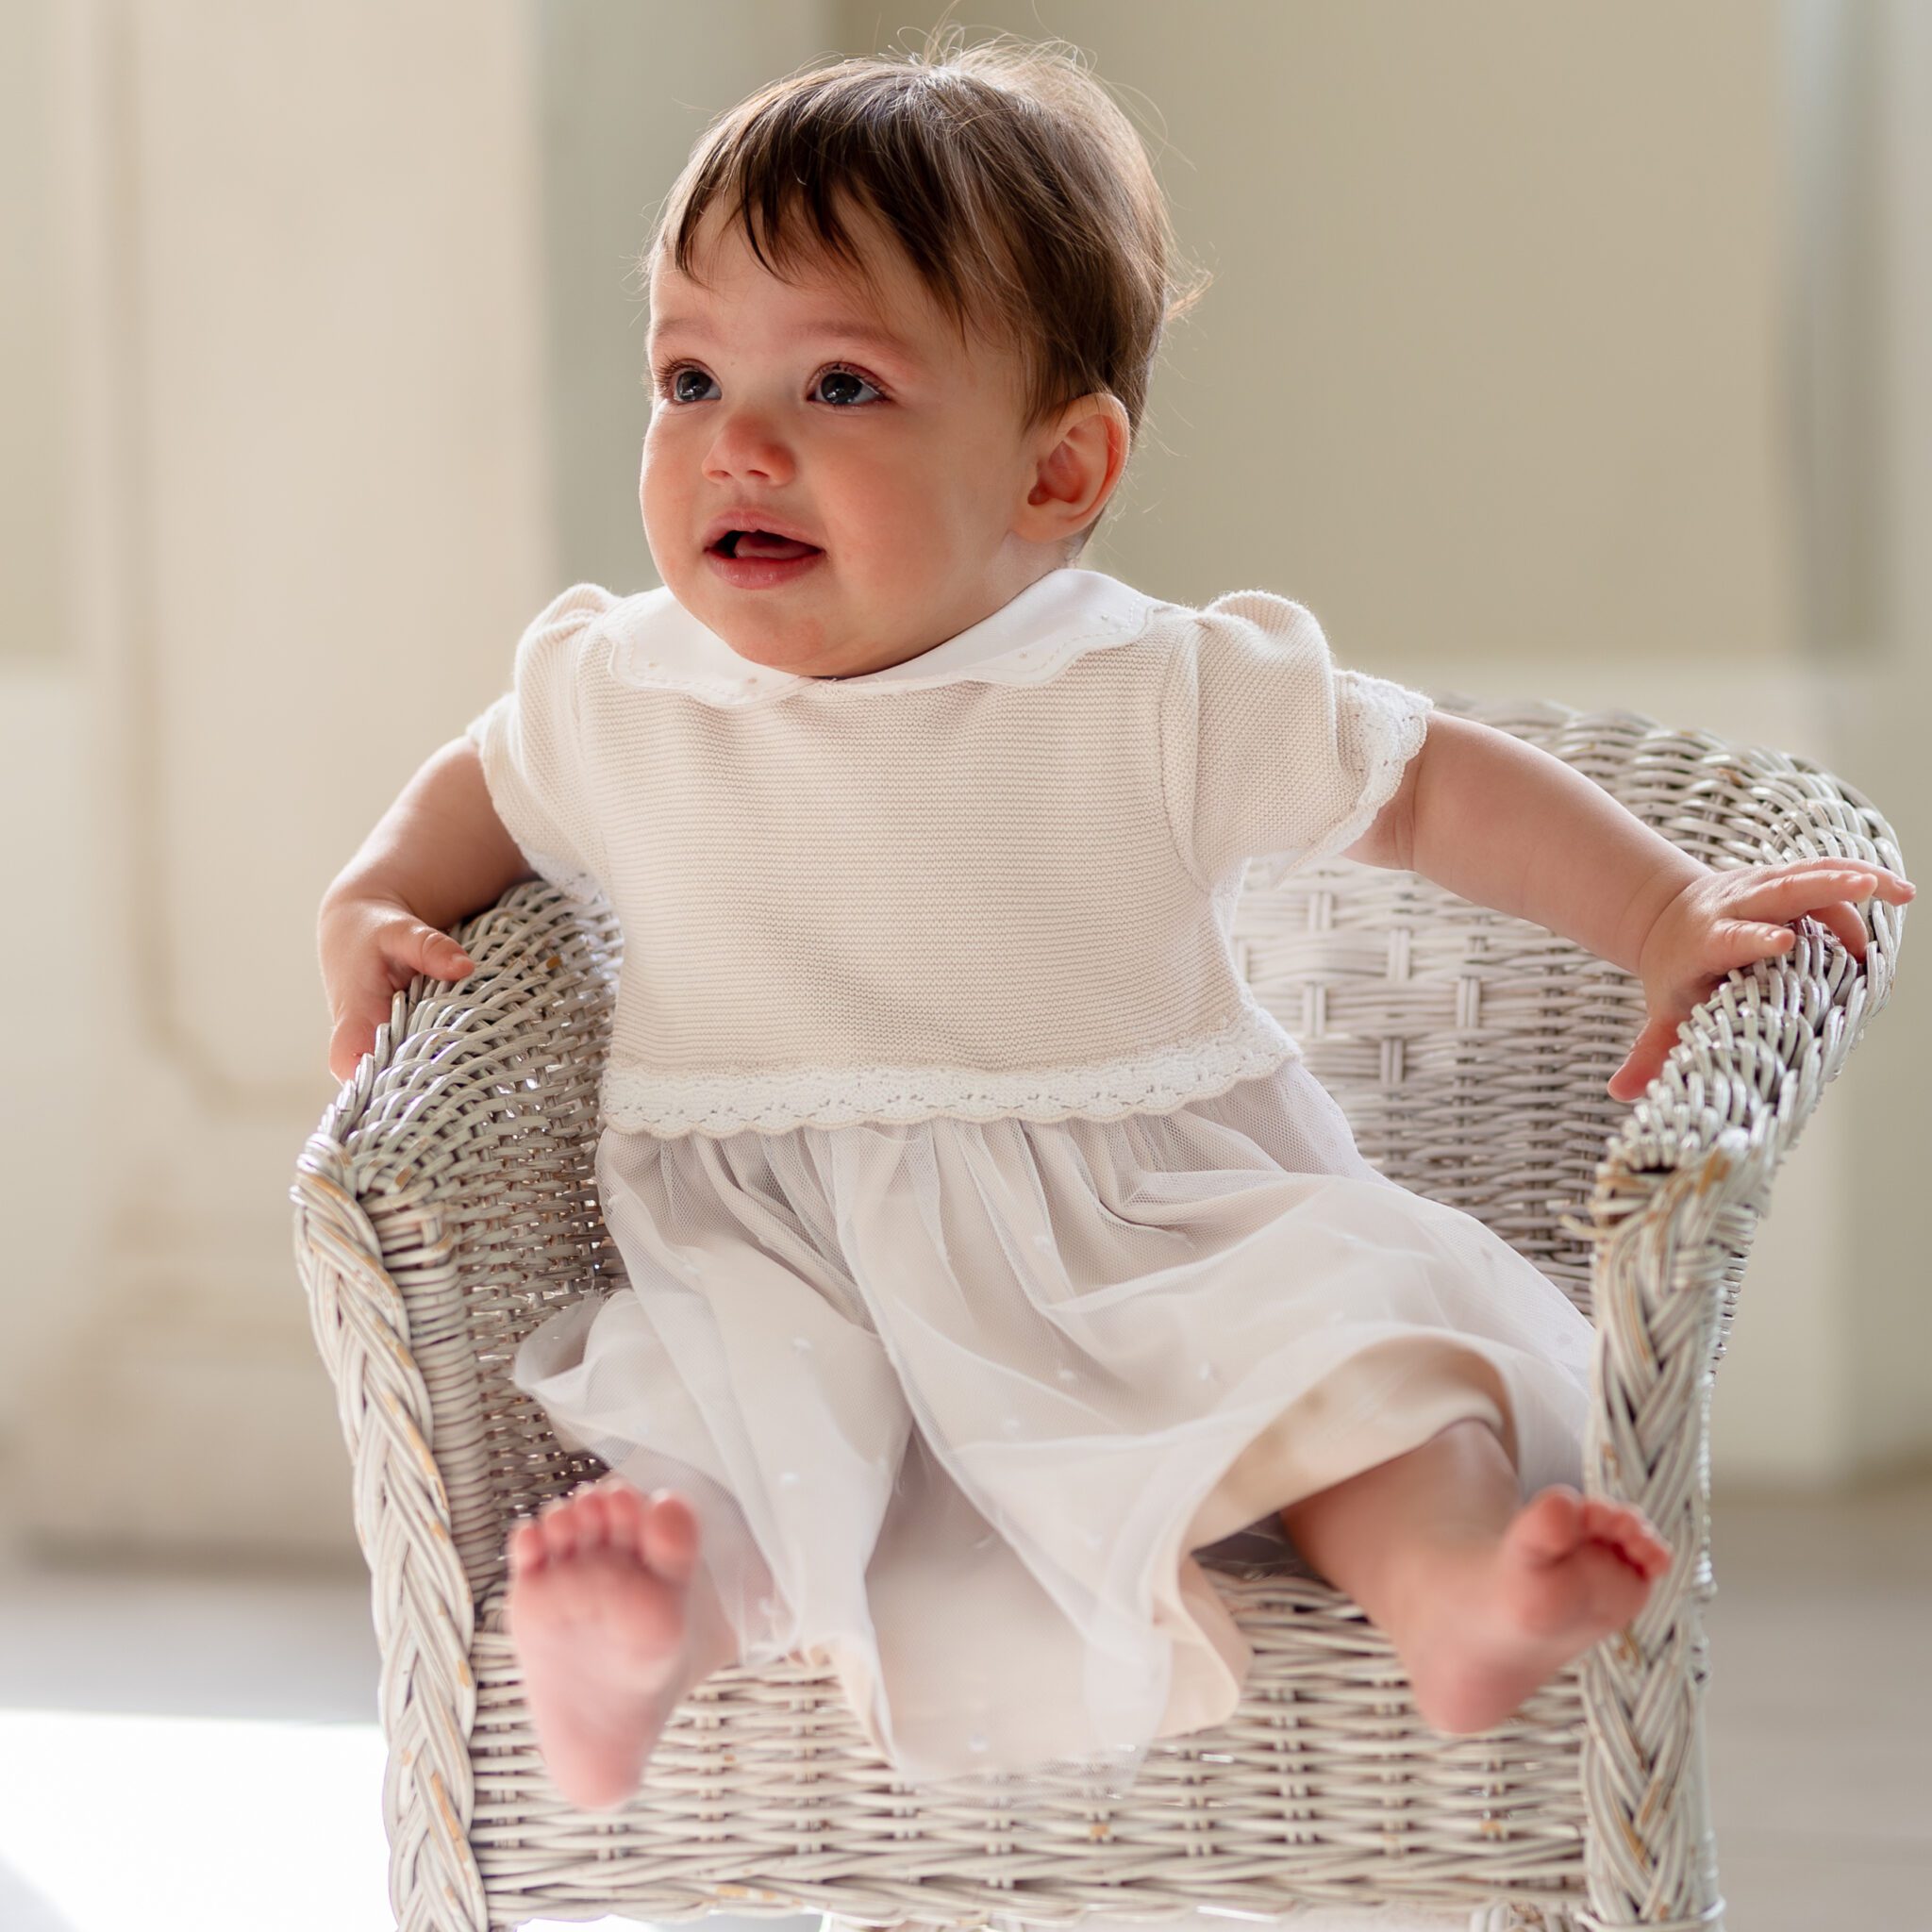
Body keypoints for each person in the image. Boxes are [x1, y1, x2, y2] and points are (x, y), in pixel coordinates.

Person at [315, 29, 1913, 1816]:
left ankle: (1452, 1584)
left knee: (1342, 1352)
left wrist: (1664, 908)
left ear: (1058, 474)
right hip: (784, 1259)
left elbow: (1428, 787)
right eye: (689, 378)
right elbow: (488, 784)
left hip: (1154, 1230)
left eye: (839, 386)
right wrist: (377, 892)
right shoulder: (625, 689)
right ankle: (643, 1634)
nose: (737, 445)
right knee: (725, 1431)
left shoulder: (1146, 691)